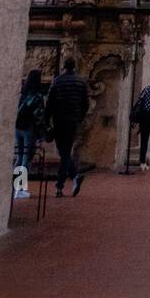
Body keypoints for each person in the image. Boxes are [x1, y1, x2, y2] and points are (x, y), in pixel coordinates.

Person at [45, 56, 90, 198]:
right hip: (72, 121)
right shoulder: (81, 82)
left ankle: (60, 185)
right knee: (65, 152)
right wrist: (79, 118)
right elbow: (86, 104)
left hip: (59, 120)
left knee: (63, 152)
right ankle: (73, 177)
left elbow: (49, 104)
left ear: (64, 66)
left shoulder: (57, 81)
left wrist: (47, 122)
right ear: (74, 66)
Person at [13, 69, 46, 198]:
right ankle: (20, 188)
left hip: (18, 127)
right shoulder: (37, 96)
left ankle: (15, 186)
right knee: (26, 158)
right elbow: (39, 117)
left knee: (19, 156)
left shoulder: (22, 92)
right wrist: (42, 134)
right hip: (28, 128)